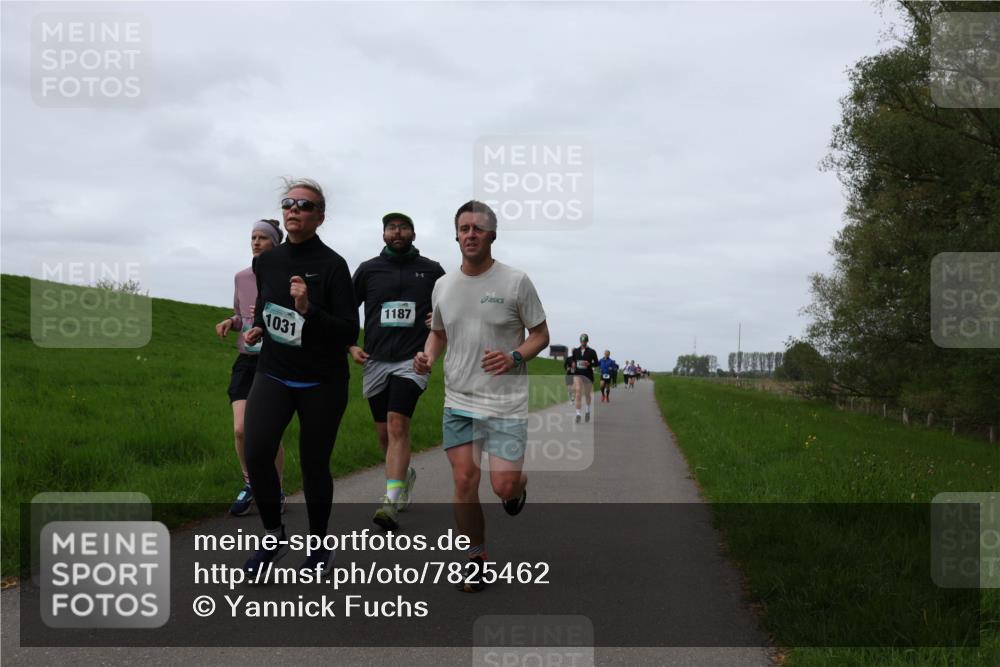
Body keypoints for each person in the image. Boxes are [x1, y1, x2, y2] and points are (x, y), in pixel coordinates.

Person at [413, 200, 549, 593]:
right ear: (456, 235)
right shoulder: (443, 285)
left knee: (502, 486)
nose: (470, 234)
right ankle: (475, 558)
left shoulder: (516, 281)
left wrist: (514, 355)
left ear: (492, 234)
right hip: (460, 399)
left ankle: (518, 489)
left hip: (505, 403)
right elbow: (438, 333)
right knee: (463, 480)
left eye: (478, 228)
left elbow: (541, 335)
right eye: (464, 228)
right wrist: (427, 356)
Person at [241, 178, 359, 577]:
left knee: (313, 466)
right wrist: (258, 326)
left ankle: (320, 546)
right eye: (288, 204)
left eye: (305, 206)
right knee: (256, 450)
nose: (294, 210)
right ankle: (274, 536)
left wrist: (308, 308)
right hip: (274, 372)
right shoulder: (267, 262)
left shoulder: (333, 265)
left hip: (322, 381)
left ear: (320, 217)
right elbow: (266, 307)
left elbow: (347, 331)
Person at [350, 212, 445, 531]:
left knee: (396, 423)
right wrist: (350, 345)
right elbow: (346, 310)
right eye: (391, 228)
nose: (397, 232)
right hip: (375, 360)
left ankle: (389, 501)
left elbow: (452, 306)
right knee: (384, 434)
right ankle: (404, 475)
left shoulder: (431, 271)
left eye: (403, 227)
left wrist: (440, 319)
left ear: (414, 234)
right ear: (383, 235)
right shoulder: (368, 270)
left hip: (413, 359)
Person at [214, 220, 287, 517]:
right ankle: (251, 482)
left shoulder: (285, 277)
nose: (256, 242)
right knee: (242, 429)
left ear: (276, 243)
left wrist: (271, 314)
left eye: (263, 238)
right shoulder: (241, 277)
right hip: (246, 360)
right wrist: (230, 323)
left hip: (275, 360)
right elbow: (239, 315)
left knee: (269, 432)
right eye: (253, 237)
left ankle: (277, 489)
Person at [569, 334, 599, 423]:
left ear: (587, 341)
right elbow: (573, 360)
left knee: (587, 394)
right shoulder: (576, 351)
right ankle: (578, 414)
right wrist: (573, 364)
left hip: (588, 375)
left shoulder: (592, 351)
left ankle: (588, 410)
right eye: (582, 341)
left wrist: (590, 364)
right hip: (578, 374)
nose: (583, 342)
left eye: (585, 341)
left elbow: (597, 363)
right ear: (580, 341)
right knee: (578, 392)